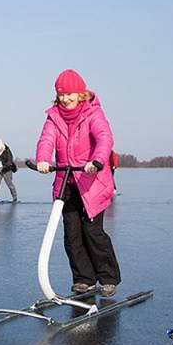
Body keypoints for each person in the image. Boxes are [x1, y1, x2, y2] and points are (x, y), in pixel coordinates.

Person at [36, 69, 120, 297]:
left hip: (91, 181)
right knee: (72, 235)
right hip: (67, 181)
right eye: (61, 95)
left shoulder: (93, 113)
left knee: (92, 232)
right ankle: (84, 278)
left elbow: (104, 138)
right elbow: (46, 139)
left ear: (80, 94)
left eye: (70, 94)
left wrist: (97, 160)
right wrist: (43, 159)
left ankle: (108, 277)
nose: (65, 99)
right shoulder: (54, 116)